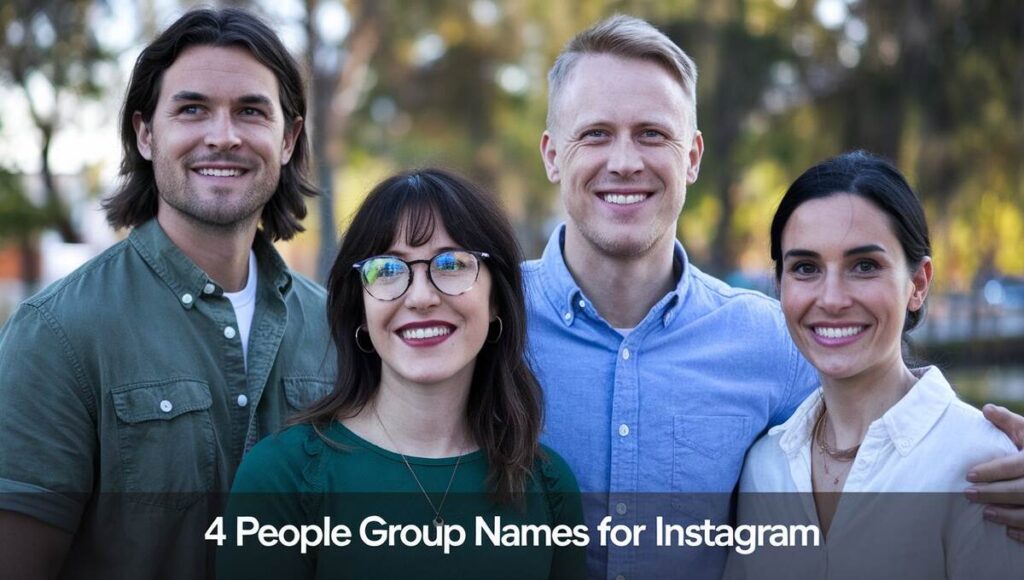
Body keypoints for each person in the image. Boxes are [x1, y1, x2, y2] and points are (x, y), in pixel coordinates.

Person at [527, 14, 1024, 579]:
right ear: (550, 154)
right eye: (595, 133)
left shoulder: (774, 341)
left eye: (652, 133)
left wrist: (998, 456)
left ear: (691, 157)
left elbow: (895, 412)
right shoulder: (484, 321)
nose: (624, 161)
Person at [0, 8, 335, 578]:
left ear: (289, 138)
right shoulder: (57, 332)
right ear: (146, 134)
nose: (223, 136)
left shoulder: (337, 328)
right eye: (192, 109)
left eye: (251, 111)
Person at [217, 169, 585, 580]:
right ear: (360, 309)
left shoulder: (549, 487)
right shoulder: (281, 478)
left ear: (496, 299)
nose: (422, 297)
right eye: (388, 269)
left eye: (451, 264)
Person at [725, 150, 1024, 578]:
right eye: (806, 267)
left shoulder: (982, 465)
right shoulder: (765, 466)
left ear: (918, 284)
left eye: (864, 266)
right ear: (780, 285)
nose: (830, 299)